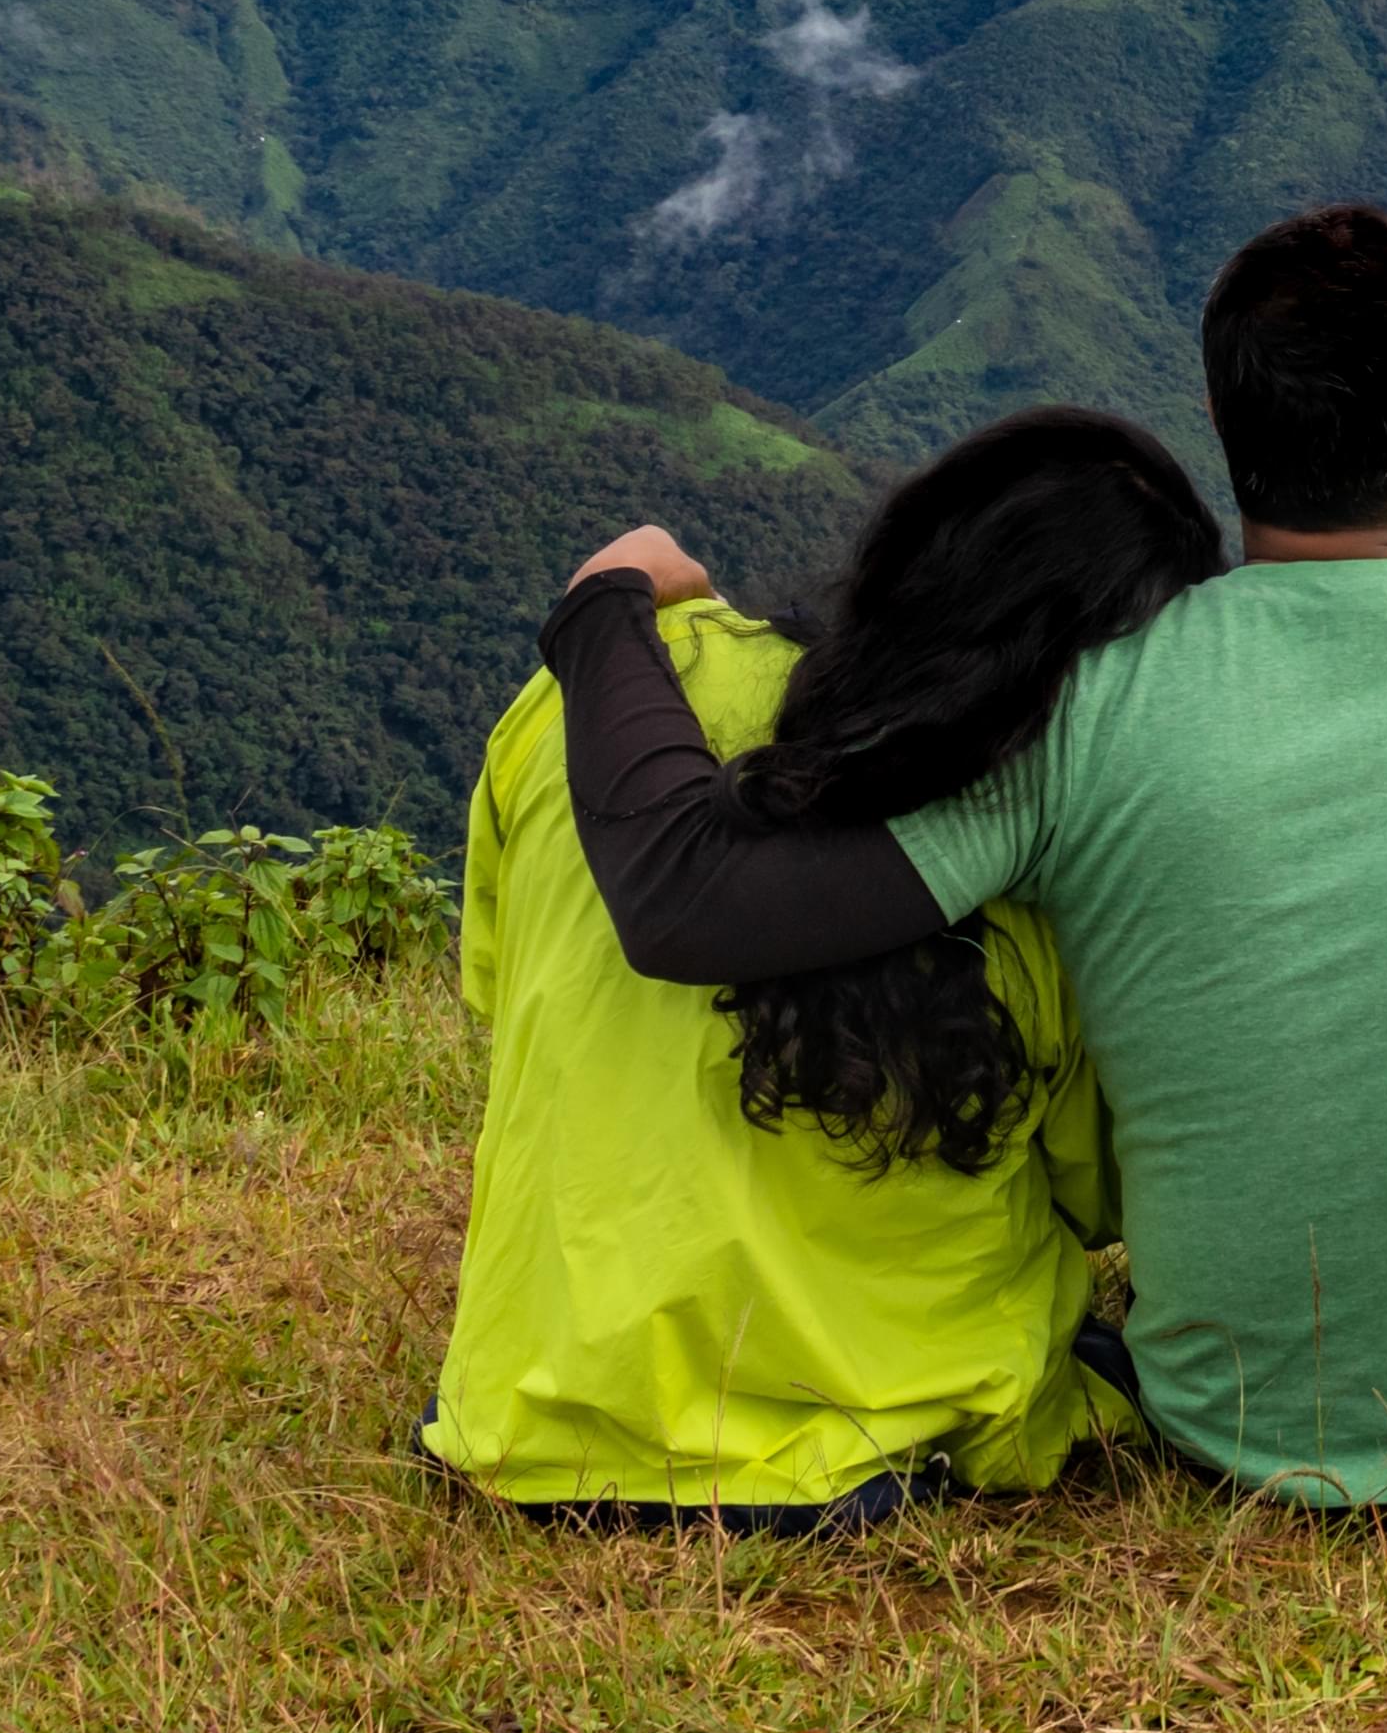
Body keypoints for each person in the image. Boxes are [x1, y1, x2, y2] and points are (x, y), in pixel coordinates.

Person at [541, 202, 1387, 1511]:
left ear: (1229, 429)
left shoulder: (1084, 709)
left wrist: (603, 609)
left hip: (1232, 1428)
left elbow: (688, 900)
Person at [423, 409, 1222, 1531]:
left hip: (536, 1431)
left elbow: (505, 997)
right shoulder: (1038, 848)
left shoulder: (580, 704)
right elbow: (1101, 1189)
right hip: (884, 1435)